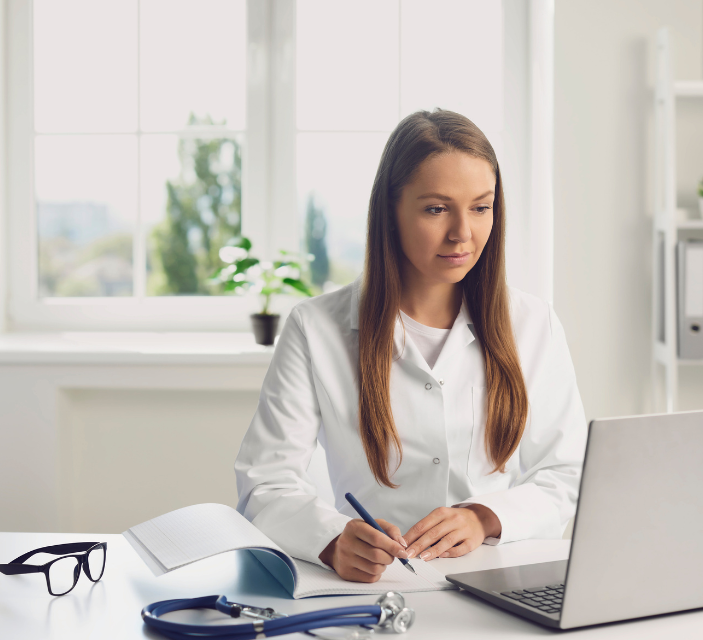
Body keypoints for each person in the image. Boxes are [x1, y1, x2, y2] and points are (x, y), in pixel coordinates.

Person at [235, 109, 586, 583]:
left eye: (481, 207)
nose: (463, 233)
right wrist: (333, 539)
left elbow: (567, 474)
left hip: (498, 581)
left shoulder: (532, 323)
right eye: (436, 209)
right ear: (390, 212)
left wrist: (484, 517)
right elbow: (265, 483)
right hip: (375, 588)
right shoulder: (314, 329)